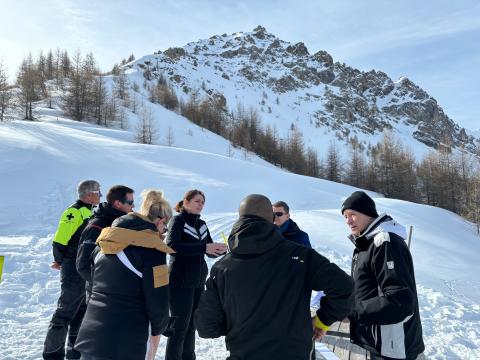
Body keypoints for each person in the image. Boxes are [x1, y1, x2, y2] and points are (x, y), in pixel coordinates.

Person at [195, 194, 354, 360]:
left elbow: (207, 327)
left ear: (240, 219)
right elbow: (344, 286)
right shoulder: (300, 255)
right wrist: (322, 320)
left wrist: (239, 322)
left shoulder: (222, 268)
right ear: (271, 219)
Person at [75, 190, 174, 360]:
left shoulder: (105, 242)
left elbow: (92, 285)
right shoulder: (153, 251)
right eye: (165, 228)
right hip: (126, 339)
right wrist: (161, 327)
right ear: (160, 221)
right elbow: (158, 301)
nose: (164, 234)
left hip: (90, 332)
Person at [341, 191, 425, 360]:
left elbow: (399, 301)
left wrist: (352, 312)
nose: (348, 221)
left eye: (353, 215)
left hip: (394, 347)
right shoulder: (365, 244)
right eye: (345, 216)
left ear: (368, 213)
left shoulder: (384, 243)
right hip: (378, 343)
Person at [165, 189, 227, 360]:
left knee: (192, 326)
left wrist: (219, 250)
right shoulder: (177, 221)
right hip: (180, 281)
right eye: (197, 201)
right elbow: (171, 246)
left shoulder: (202, 224)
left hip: (197, 281)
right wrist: (204, 247)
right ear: (186, 203)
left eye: (202, 202)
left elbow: (208, 250)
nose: (201, 204)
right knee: (179, 327)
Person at [43, 180, 101, 360]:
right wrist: (59, 260)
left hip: (84, 268)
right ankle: (52, 354)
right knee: (65, 311)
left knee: (81, 311)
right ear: (89, 194)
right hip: (72, 266)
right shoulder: (74, 212)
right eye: (98, 191)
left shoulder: (92, 212)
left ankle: (74, 353)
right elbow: (60, 239)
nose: (100, 195)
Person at [76, 185, 135, 301]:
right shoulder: (97, 225)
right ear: (118, 203)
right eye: (130, 202)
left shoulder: (128, 223)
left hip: (124, 294)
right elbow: (83, 265)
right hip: (102, 295)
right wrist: (106, 286)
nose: (133, 205)